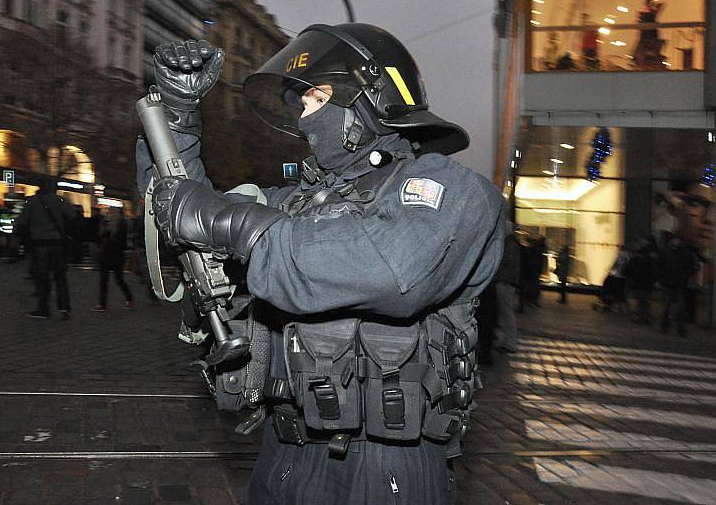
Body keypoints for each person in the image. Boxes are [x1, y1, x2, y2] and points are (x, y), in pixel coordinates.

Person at [136, 25, 504, 504]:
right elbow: (181, 217)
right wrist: (176, 121)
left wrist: (231, 222)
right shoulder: (296, 204)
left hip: (389, 467)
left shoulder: (452, 192)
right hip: (287, 453)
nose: (305, 113)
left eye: (316, 95)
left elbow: (390, 272)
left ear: (370, 100)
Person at [13, 177, 73, 320]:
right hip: (57, 243)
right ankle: (64, 308)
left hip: (39, 243)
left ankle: (43, 308)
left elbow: (22, 221)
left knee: (42, 276)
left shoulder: (32, 202)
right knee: (60, 276)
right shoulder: (59, 200)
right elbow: (72, 215)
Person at [92, 206, 133, 311]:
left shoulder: (121, 225)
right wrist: (104, 231)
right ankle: (102, 303)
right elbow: (98, 237)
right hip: (106, 254)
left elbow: (121, 242)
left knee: (118, 279)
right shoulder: (105, 223)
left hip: (116, 255)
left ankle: (129, 298)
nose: (109, 215)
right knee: (104, 279)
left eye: (111, 212)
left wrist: (110, 233)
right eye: (108, 212)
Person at [658, 235, 695, 336]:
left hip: (679, 284)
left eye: (677, 240)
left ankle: (679, 329)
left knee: (679, 309)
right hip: (670, 283)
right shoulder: (666, 252)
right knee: (667, 307)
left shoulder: (685, 254)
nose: (676, 242)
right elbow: (660, 266)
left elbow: (691, 268)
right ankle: (665, 327)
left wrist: (684, 277)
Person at [494, 222, 520, 353]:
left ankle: (510, 343)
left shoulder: (509, 245)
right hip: (507, 282)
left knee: (507, 313)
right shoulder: (511, 243)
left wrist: (501, 280)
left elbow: (508, 265)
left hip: (505, 283)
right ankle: (508, 341)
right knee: (506, 313)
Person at [633, 0, 666, 69]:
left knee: (652, 52)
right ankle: (643, 67)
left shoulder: (650, 12)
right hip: (646, 36)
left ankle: (657, 66)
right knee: (642, 53)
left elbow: (661, 6)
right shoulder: (644, 13)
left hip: (650, 37)